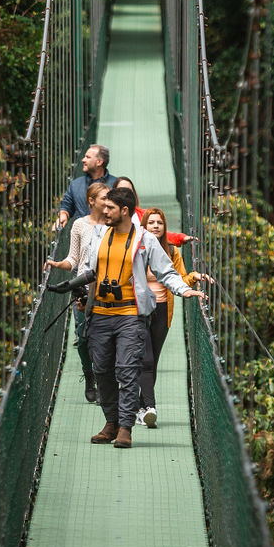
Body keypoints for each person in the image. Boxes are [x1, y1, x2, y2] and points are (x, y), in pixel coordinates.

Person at [80, 186, 203, 448]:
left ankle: (125, 427)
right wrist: (78, 292)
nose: (104, 211)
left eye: (110, 207)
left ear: (124, 210)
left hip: (130, 314)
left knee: (127, 370)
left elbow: (166, 271)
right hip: (100, 312)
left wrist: (183, 289)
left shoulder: (144, 239)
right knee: (101, 370)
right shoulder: (99, 233)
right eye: (104, 206)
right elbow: (90, 270)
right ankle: (110, 423)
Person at [135, 207, 212, 430]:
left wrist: (194, 277)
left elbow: (179, 280)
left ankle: (141, 408)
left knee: (152, 360)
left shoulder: (172, 252)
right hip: (140, 310)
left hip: (162, 310)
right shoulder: (137, 249)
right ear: (144, 226)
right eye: (151, 222)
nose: (156, 226)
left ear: (164, 227)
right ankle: (150, 407)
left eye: (159, 222)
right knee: (145, 359)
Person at [45, 180, 108, 402]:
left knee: (102, 340)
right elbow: (73, 259)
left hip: (105, 289)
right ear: (91, 201)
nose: (108, 202)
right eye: (103, 198)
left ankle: (102, 382)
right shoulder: (80, 225)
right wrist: (56, 264)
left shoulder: (114, 225)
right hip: (82, 287)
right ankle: (89, 374)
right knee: (83, 340)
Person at [53, 144, 115, 231]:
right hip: (82, 236)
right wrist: (63, 214)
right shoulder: (76, 184)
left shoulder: (115, 184)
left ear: (99, 162)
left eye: (88, 157)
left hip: (108, 236)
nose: (83, 160)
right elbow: (67, 205)